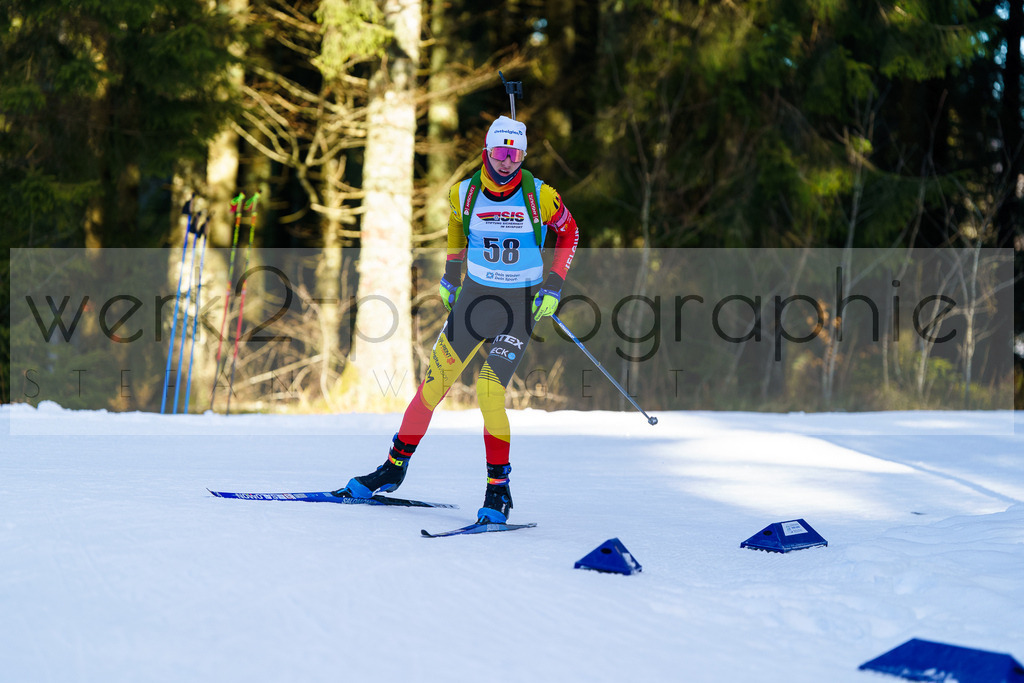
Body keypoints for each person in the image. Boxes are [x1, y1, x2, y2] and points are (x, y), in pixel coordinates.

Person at [336, 115, 580, 523]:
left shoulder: (541, 196)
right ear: (487, 151)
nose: (506, 161)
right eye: (500, 152)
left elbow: (569, 233)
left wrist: (554, 285)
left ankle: (498, 491)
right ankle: (393, 468)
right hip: (473, 301)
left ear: (522, 155)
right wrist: (451, 274)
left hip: (519, 306)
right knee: (433, 386)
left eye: (514, 153)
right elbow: (455, 229)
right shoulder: (463, 195)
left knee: (488, 390)